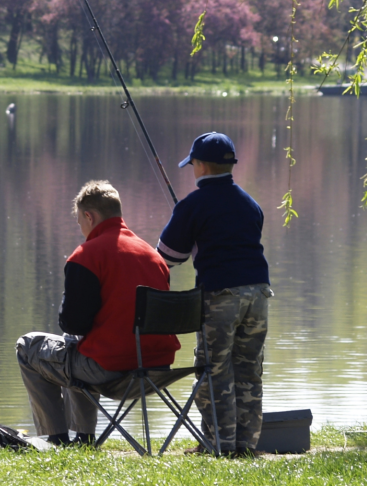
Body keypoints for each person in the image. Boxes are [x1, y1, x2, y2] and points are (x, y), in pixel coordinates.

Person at [16, 180, 178, 446]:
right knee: (75, 348)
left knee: (29, 346)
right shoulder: (154, 256)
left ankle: (54, 438)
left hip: (111, 371)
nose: (81, 228)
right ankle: (82, 437)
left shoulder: (87, 256)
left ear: (89, 216)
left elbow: (72, 322)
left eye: (80, 220)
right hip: (158, 368)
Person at [156, 132, 273, 457]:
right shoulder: (251, 204)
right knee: (248, 369)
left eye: (192, 164)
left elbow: (167, 257)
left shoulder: (193, 204)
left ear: (201, 166)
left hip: (221, 295)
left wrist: (186, 227)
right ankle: (245, 446)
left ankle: (218, 445)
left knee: (213, 370)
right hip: (260, 293)